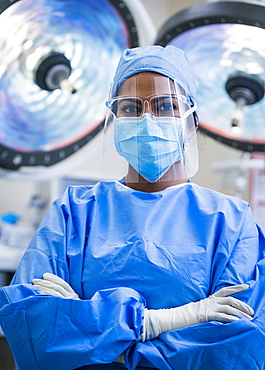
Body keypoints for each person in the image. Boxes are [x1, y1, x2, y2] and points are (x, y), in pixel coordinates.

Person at [0, 45, 265, 370]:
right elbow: (32, 324)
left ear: (191, 120)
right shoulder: (74, 212)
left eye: (165, 105)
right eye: (130, 107)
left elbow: (240, 344)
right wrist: (162, 321)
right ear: (115, 120)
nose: (146, 119)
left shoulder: (232, 222)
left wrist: (89, 332)